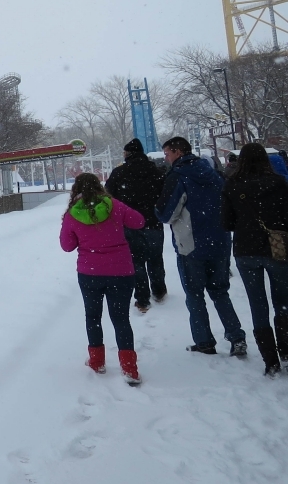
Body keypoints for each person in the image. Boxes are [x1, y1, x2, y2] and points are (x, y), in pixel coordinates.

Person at [156, 136, 248, 357]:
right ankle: (237, 338)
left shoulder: (178, 177)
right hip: (220, 241)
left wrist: (158, 210)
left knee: (194, 294)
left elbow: (166, 214)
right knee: (220, 292)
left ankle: (204, 341)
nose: (166, 159)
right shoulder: (215, 175)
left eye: (168, 154)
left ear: (178, 152)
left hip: (191, 244)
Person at [60, 172, 145, 385]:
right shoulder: (114, 205)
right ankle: (129, 369)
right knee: (121, 319)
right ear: (99, 186)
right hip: (121, 271)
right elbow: (139, 221)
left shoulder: (73, 214)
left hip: (90, 273)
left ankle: (97, 362)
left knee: (93, 316)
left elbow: (67, 246)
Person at [221, 142, 288, 376]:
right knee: (282, 301)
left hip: (245, 250)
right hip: (276, 248)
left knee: (257, 303)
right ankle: (286, 351)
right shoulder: (279, 183)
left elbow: (227, 223)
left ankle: (270, 360)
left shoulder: (232, 184)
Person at [106, 138, 168, 313]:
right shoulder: (156, 171)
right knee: (156, 259)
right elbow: (165, 195)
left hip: (130, 224)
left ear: (128, 154)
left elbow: (109, 196)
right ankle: (160, 291)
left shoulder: (119, 173)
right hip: (154, 222)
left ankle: (142, 298)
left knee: (136, 261)